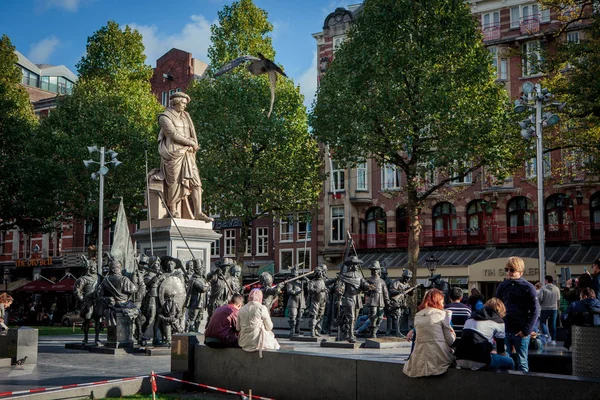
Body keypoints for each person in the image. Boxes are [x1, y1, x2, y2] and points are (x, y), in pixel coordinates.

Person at [157, 91, 212, 222]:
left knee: (196, 182)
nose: (184, 106)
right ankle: (174, 211)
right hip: (173, 153)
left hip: (188, 154)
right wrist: (190, 142)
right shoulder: (164, 117)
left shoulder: (186, 115)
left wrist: (194, 144)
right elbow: (172, 134)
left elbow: (192, 133)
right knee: (174, 182)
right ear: (175, 103)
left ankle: (198, 212)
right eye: (183, 103)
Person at [495, 256, 538, 372]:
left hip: (520, 330)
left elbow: (535, 310)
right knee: (504, 361)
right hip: (505, 330)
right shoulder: (503, 286)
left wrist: (526, 331)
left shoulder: (528, 287)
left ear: (520, 271)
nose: (508, 272)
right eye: (507, 270)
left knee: (522, 362)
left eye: (512, 270)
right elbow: (496, 307)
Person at [403, 289, 456, 378]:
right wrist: (453, 333)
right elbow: (449, 341)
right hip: (439, 358)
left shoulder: (418, 315)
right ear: (437, 302)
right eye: (442, 302)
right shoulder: (442, 315)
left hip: (419, 359)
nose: (443, 305)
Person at [455, 298, 515, 371]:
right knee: (509, 361)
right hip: (480, 360)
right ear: (501, 310)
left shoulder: (471, 318)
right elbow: (500, 350)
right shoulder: (499, 322)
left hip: (460, 358)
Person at [237, 288, 280, 356]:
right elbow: (269, 327)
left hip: (243, 342)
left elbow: (238, 328)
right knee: (274, 343)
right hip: (257, 342)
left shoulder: (241, 309)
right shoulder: (261, 308)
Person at [339, 256, 372, 343]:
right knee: (351, 318)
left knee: (355, 318)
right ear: (351, 265)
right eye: (356, 265)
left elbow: (363, 283)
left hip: (357, 298)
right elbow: (341, 287)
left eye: (358, 265)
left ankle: (348, 333)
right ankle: (351, 335)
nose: (357, 266)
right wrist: (340, 290)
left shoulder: (359, 275)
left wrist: (368, 286)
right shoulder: (344, 276)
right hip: (349, 298)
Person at [73, 258, 103, 345]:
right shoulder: (83, 279)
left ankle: (97, 338)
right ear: (89, 268)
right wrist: (81, 298)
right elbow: (76, 290)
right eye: (93, 266)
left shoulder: (100, 277)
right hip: (87, 301)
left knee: (98, 319)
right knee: (87, 318)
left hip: (97, 301)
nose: (95, 268)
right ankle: (85, 338)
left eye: (95, 266)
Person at [364, 261, 390, 338]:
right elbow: (366, 292)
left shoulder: (382, 281)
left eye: (376, 269)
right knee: (373, 316)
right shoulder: (369, 280)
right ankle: (373, 333)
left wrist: (387, 300)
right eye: (373, 269)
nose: (375, 271)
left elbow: (385, 292)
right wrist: (368, 288)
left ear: (379, 271)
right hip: (373, 299)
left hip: (380, 299)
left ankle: (375, 329)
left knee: (380, 317)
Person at [206, 258, 235, 323]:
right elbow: (208, 278)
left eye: (227, 268)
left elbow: (233, 290)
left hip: (225, 302)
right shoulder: (215, 276)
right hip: (215, 302)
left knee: (224, 321)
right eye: (223, 267)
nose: (225, 269)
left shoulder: (229, 278)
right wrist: (214, 272)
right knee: (213, 321)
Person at [387, 269, 414, 337]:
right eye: (407, 278)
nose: (408, 280)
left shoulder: (407, 284)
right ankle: (397, 332)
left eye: (409, 278)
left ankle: (398, 330)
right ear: (403, 276)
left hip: (402, 302)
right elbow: (391, 291)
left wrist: (411, 291)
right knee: (397, 316)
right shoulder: (396, 282)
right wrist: (399, 292)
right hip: (395, 302)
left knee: (400, 316)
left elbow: (410, 294)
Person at [185, 259, 209, 333]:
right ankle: (189, 331)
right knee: (192, 318)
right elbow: (202, 289)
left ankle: (196, 330)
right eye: (201, 269)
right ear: (197, 270)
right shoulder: (194, 280)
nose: (202, 271)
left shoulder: (201, 279)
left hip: (201, 303)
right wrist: (208, 285)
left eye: (202, 269)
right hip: (195, 303)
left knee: (199, 319)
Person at [538, 275, 561, 345]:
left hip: (544, 308)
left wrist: (541, 303)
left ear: (546, 280)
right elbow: (558, 299)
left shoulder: (543, 288)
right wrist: (557, 307)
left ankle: (546, 335)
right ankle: (553, 339)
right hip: (554, 309)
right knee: (553, 324)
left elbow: (540, 298)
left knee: (543, 323)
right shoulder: (557, 289)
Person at [307, 265, 328, 337]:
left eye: (321, 272)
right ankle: (312, 330)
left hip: (323, 300)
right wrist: (319, 290)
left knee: (320, 316)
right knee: (314, 315)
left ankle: (316, 330)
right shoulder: (312, 282)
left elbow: (329, 282)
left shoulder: (323, 281)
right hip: (315, 300)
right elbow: (310, 290)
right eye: (319, 272)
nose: (320, 274)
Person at [286, 266, 307, 336]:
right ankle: (292, 330)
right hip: (293, 301)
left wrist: (305, 279)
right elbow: (289, 291)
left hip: (301, 301)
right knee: (293, 316)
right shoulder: (290, 282)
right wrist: (296, 292)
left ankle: (298, 329)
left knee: (300, 316)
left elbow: (310, 284)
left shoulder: (301, 282)